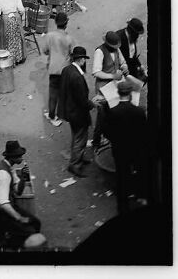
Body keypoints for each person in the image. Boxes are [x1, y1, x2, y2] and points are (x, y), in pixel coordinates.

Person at [0, 141, 42, 248]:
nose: (22, 158)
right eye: (19, 156)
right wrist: (19, 218)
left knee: (36, 222)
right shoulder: (3, 174)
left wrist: (23, 179)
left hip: (10, 206)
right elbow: (3, 204)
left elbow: (18, 191)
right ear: (12, 157)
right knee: (30, 230)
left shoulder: (10, 168)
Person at [104, 80, 148, 214]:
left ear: (118, 93)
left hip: (120, 150)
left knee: (122, 176)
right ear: (130, 94)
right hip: (136, 149)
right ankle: (141, 197)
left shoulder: (113, 112)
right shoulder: (139, 112)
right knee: (140, 172)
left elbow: (107, 132)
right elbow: (144, 132)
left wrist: (116, 141)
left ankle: (123, 207)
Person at [58, 46, 96, 177]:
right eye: (84, 59)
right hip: (77, 113)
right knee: (80, 138)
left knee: (76, 136)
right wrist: (93, 104)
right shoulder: (77, 77)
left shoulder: (67, 70)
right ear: (81, 60)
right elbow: (82, 101)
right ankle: (75, 165)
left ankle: (79, 157)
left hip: (69, 110)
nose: (85, 62)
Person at [91, 30, 129, 151]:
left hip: (115, 86)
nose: (115, 48)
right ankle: (96, 141)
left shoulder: (116, 49)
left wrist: (125, 67)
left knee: (114, 112)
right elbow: (96, 72)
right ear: (107, 43)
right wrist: (113, 76)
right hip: (103, 88)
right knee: (102, 115)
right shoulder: (99, 52)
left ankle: (110, 136)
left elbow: (122, 61)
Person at [42, 12, 72, 127]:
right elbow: (72, 53)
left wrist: (52, 52)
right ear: (66, 24)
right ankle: (65, 114)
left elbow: (45, 51)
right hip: (65, 69)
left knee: (53, 93)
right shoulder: (68, 38)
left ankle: (52, 116)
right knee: (65, 92)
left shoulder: (49, 36)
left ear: (55, 23)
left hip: (53, 69)